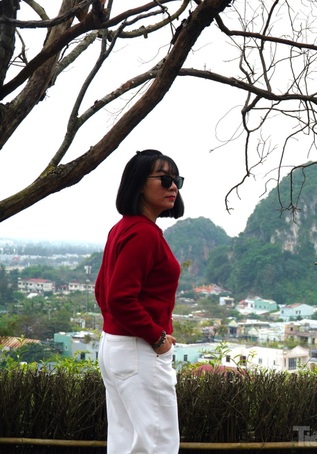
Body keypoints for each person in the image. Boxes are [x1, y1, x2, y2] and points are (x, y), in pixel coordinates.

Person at [95, 149, 185, 453]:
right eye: (164, 178)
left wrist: (119, 331)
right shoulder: (144, 234)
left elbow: (102, 291)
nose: (173, 186)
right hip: (139, 349)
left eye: (176, 180)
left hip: (115, 346)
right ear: (138, 183)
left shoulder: (122, 228)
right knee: (157, 444)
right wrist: (157, 337)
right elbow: (119, 298)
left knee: (124, 441)